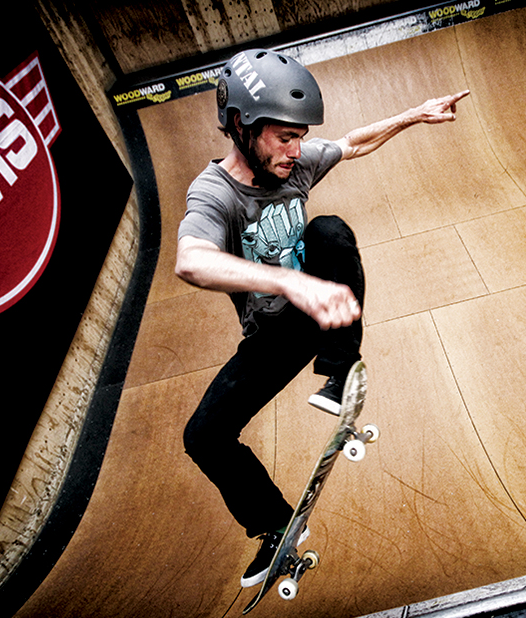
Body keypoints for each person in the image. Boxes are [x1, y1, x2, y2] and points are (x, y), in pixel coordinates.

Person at [176, 48, 469, 587]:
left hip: (324, 313)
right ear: (242, 125)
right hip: (271, 336)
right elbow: (191, 261)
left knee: (328, 230)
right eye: (284, 137)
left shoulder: (299, 161)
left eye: (300, 137)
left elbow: (353, 142)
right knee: (204, 437)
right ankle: (275, 525)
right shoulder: (214, 194)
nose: (297, 150)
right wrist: (285, 280)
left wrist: (415, 114)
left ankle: (341, 373)